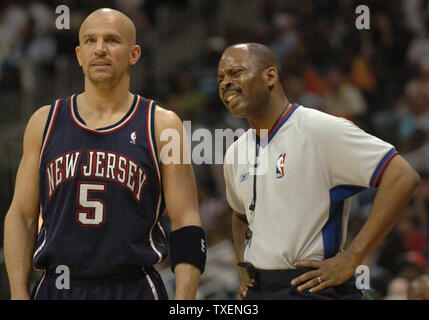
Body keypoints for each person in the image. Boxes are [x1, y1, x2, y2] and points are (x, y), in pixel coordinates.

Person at [3, 8, 206, 300]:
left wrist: (183, 302)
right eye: (90, 41)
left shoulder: (161, 124)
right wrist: (18, 293)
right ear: (78, 54)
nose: (100, 49)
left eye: (111, 40)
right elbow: (21, 216)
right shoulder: (43, 122)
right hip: (58, 286)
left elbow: (186, 221)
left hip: (134, 286)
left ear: (134, 53)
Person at [218, 43, 420, 300]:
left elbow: (402, 177)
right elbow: (240, 217)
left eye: (235, 73)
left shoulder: (318, 129)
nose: (225, 83)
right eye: (221, 78)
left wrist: (352, 257)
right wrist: (243, 270)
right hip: (260, 288)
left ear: (270, 76)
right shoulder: (235, 153)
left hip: (309, 285)